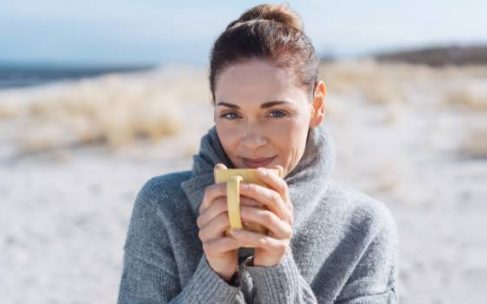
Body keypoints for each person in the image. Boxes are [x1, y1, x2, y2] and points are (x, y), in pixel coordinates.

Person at [119, 4, 397, 303]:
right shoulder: (163, 205)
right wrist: (213, 277)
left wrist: (277, 270)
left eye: (276, 113)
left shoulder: (364, 226)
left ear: (316, 106)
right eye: (231, 115)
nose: (252, 141)